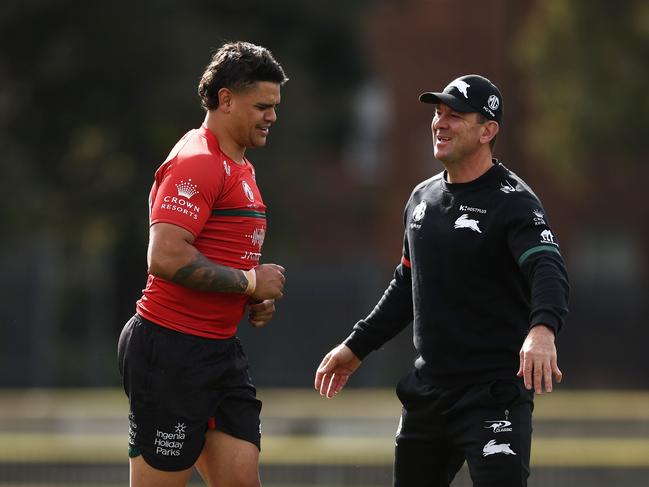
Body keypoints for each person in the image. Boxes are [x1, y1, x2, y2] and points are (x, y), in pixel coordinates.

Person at [315, 74, 569, 487]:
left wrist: (542, 331)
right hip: (428, 395)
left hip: (492, 396)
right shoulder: (421, 200)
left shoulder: (514, 202)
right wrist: (356, 346)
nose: (440, 123)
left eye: (455, 116)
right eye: (438, 113)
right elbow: (406, 285)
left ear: (488, 130)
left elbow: (547, 266)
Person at [118, 41, 288, 487]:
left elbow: (219, 255)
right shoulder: (198, 161)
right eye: (262, 106)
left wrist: (249, 295)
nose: (272, 115)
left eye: (275, 106)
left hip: (219, 350)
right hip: (169, 349)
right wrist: (250, 282)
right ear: (226, 99)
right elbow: (166, 255)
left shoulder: (241, 165)